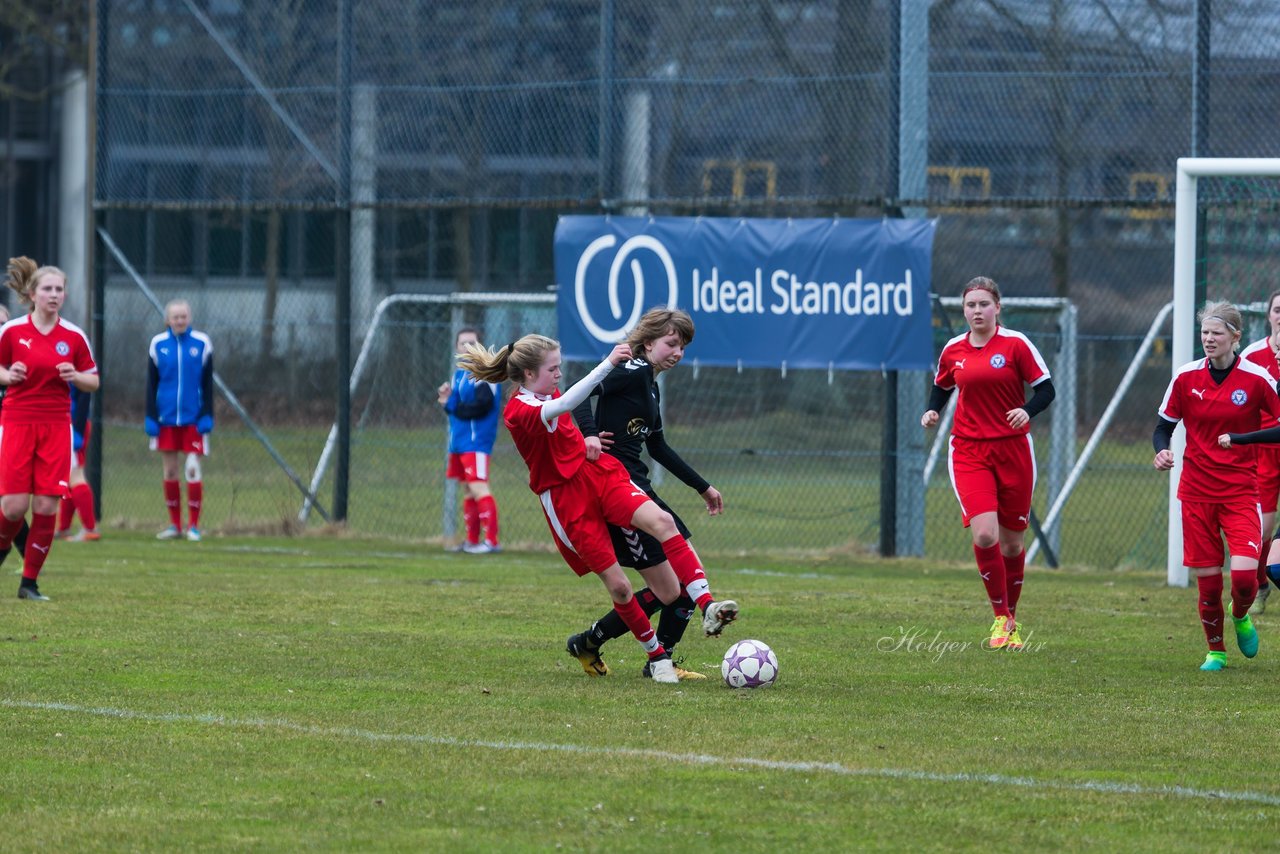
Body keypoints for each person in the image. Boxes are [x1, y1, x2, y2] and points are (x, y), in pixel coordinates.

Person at [458, 334, 739, 685]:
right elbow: (561, 409)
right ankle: (657, 658)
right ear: (529, 374)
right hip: (566, 501)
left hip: (599, 474)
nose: (559, 374)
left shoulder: (548, 391)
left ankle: (708, 605)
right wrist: (606, 365)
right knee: (619, 587)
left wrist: (587, 436)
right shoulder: (518, 410)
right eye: (553, 368)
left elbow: (566, 421)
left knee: (663, 521)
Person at [564, 308, 722, 681]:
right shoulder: (631, 370)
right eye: (671, 343)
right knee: (672, 590)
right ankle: (659, 656)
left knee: (674, 589)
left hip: (639, 486)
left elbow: (659, 447)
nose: (678, 352)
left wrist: (703, 486)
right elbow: (582, 389)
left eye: (682, 346)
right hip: (616, 490)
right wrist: (588, 433)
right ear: (648, 342)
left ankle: (603, 646)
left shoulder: (648, 383)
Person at [921, 276, 1055, 650]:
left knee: (1012, 545)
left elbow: (1046, 389)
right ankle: (1001, 618)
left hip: (1013, 451)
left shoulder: (1016, 345)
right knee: (984, 534)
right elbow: (943, 385)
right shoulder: (953, 349)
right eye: (970, 305)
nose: (976, 311)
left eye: (983, 304)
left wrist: (1025, 412)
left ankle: (1011, 619)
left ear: (998, 307)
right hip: (968, 451)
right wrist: (932, 411)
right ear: (963, 310)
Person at [1155, 300, 1280, 671]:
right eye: (1205, 333)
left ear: (1235, 337)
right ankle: (1216, 651)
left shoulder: (1258, 379)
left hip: (1242, 491)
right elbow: (1164, 426)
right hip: (1195, 492)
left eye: (1217, 333)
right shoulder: (1185, 377)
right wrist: (1162, 451)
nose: (1209, 339)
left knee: (1243, 578)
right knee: (1208, 581)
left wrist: (1241, 439)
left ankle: (1240, 614)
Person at [0, 257, 98, 601]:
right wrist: (7, 376)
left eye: (59, 289)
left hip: (56, 426)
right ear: (32, 293)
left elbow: (94, 381)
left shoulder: (73, 336)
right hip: (17, 422)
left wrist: (77, 376)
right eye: (47, 289)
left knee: (45, 507)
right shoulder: (12, 331)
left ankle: (29, 584)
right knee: (12, 507)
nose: (54, 295)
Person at [146, 299, 213, 542]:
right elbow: (151, 384)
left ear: (190, 317)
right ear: (168, 320)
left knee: (192, 468)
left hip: (193, 419)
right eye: (175, 317)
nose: (180, 321)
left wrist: (207, 414)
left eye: (183, 316)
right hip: (165, 420)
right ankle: (175, 525)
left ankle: (193, 526)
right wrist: (151, 416)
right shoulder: (157, 344)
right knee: (171, 470)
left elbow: (207, 384)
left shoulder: (202, 343)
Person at [437, 327, 501, 554]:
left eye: (472, 343)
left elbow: (480, 407)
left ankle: (491, 542)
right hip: (460, 442)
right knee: (467, 490)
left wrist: (452, 404)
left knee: (479, 487)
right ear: (456, 347)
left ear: (480, 346)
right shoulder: (459, 374)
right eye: (463, 343)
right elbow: (457, 410)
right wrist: (447, 399)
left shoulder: (485, 373)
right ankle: (472, 540)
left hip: (476, 443)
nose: (467, 347)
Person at [1239, 290, 1280, 615]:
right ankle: (1261, 587)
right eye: (1278, 310)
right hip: (1264, 453)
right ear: (1268, 315)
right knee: (1262, 528)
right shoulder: (1253, 356)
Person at [56, 384, 100, 541]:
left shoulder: (75, 362)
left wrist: (78, 429)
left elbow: (84, 394)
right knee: (67, 476)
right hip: (64, 423)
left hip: (72, 424)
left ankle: (90, 528)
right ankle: (64, 528)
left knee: (75, 475)